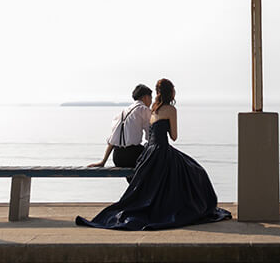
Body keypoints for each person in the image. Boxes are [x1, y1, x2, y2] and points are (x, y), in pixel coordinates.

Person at [76, 78, 231, 230]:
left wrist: (103, 161)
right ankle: (177, 204)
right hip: (151, 151)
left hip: (127, 154)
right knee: (194, 170)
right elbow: (173, 137)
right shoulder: (155, 110)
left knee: (168, 172)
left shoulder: (134, 111)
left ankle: (157, 200)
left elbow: (119, 138)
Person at [89, 84, 152, 169]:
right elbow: (150, 136)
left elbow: (112, 141)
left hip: (117, 158)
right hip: (132, 156)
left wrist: (103, 162)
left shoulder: (123, 112)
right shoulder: (143, 109)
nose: (151, 101)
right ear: (145, 97)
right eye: (151, 98)